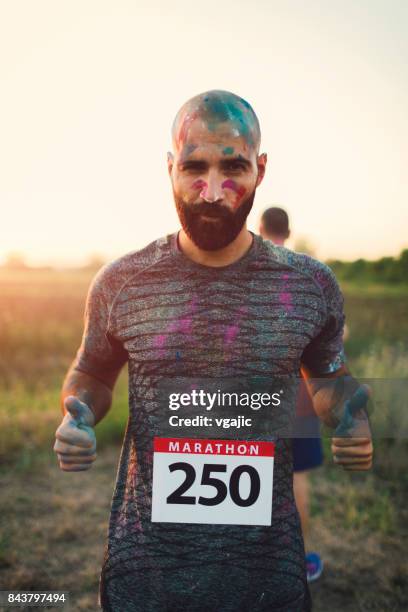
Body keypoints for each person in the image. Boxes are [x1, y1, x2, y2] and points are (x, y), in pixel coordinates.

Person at [53, 90, 373, 612]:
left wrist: (348, 414)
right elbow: (91, 371)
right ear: (169, 169)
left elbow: (329, 378)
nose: (212, 190)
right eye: (194, 167)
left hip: (268, 580)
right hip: (146, 578)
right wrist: (79, 412)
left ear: (261, 170)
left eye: (234, 167)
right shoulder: (122, 283)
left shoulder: (310, 286)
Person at [260, 206, 324, 582]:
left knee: (251, 468)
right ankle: (298, 558)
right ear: (289, 230)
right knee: (297, 474)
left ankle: (255, 558)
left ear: (260, 228)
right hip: (299, 390)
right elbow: (335, 335)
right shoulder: (310, 273)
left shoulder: (247, 270)